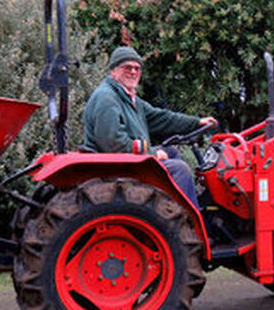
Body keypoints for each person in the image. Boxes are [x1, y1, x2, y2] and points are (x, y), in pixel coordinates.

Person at [83, 45, 215, 207]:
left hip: (129, 162)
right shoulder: (107, 98)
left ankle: (180, 212)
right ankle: (187, 224)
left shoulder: (128, 98)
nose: (133, 72)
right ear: (113, 71)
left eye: (137, 68)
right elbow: (112, 143)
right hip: (118, 168)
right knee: (179, 170)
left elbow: (162, 118)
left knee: (171, 151)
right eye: (127, 67)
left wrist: (195, 122)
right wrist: (152, 153)